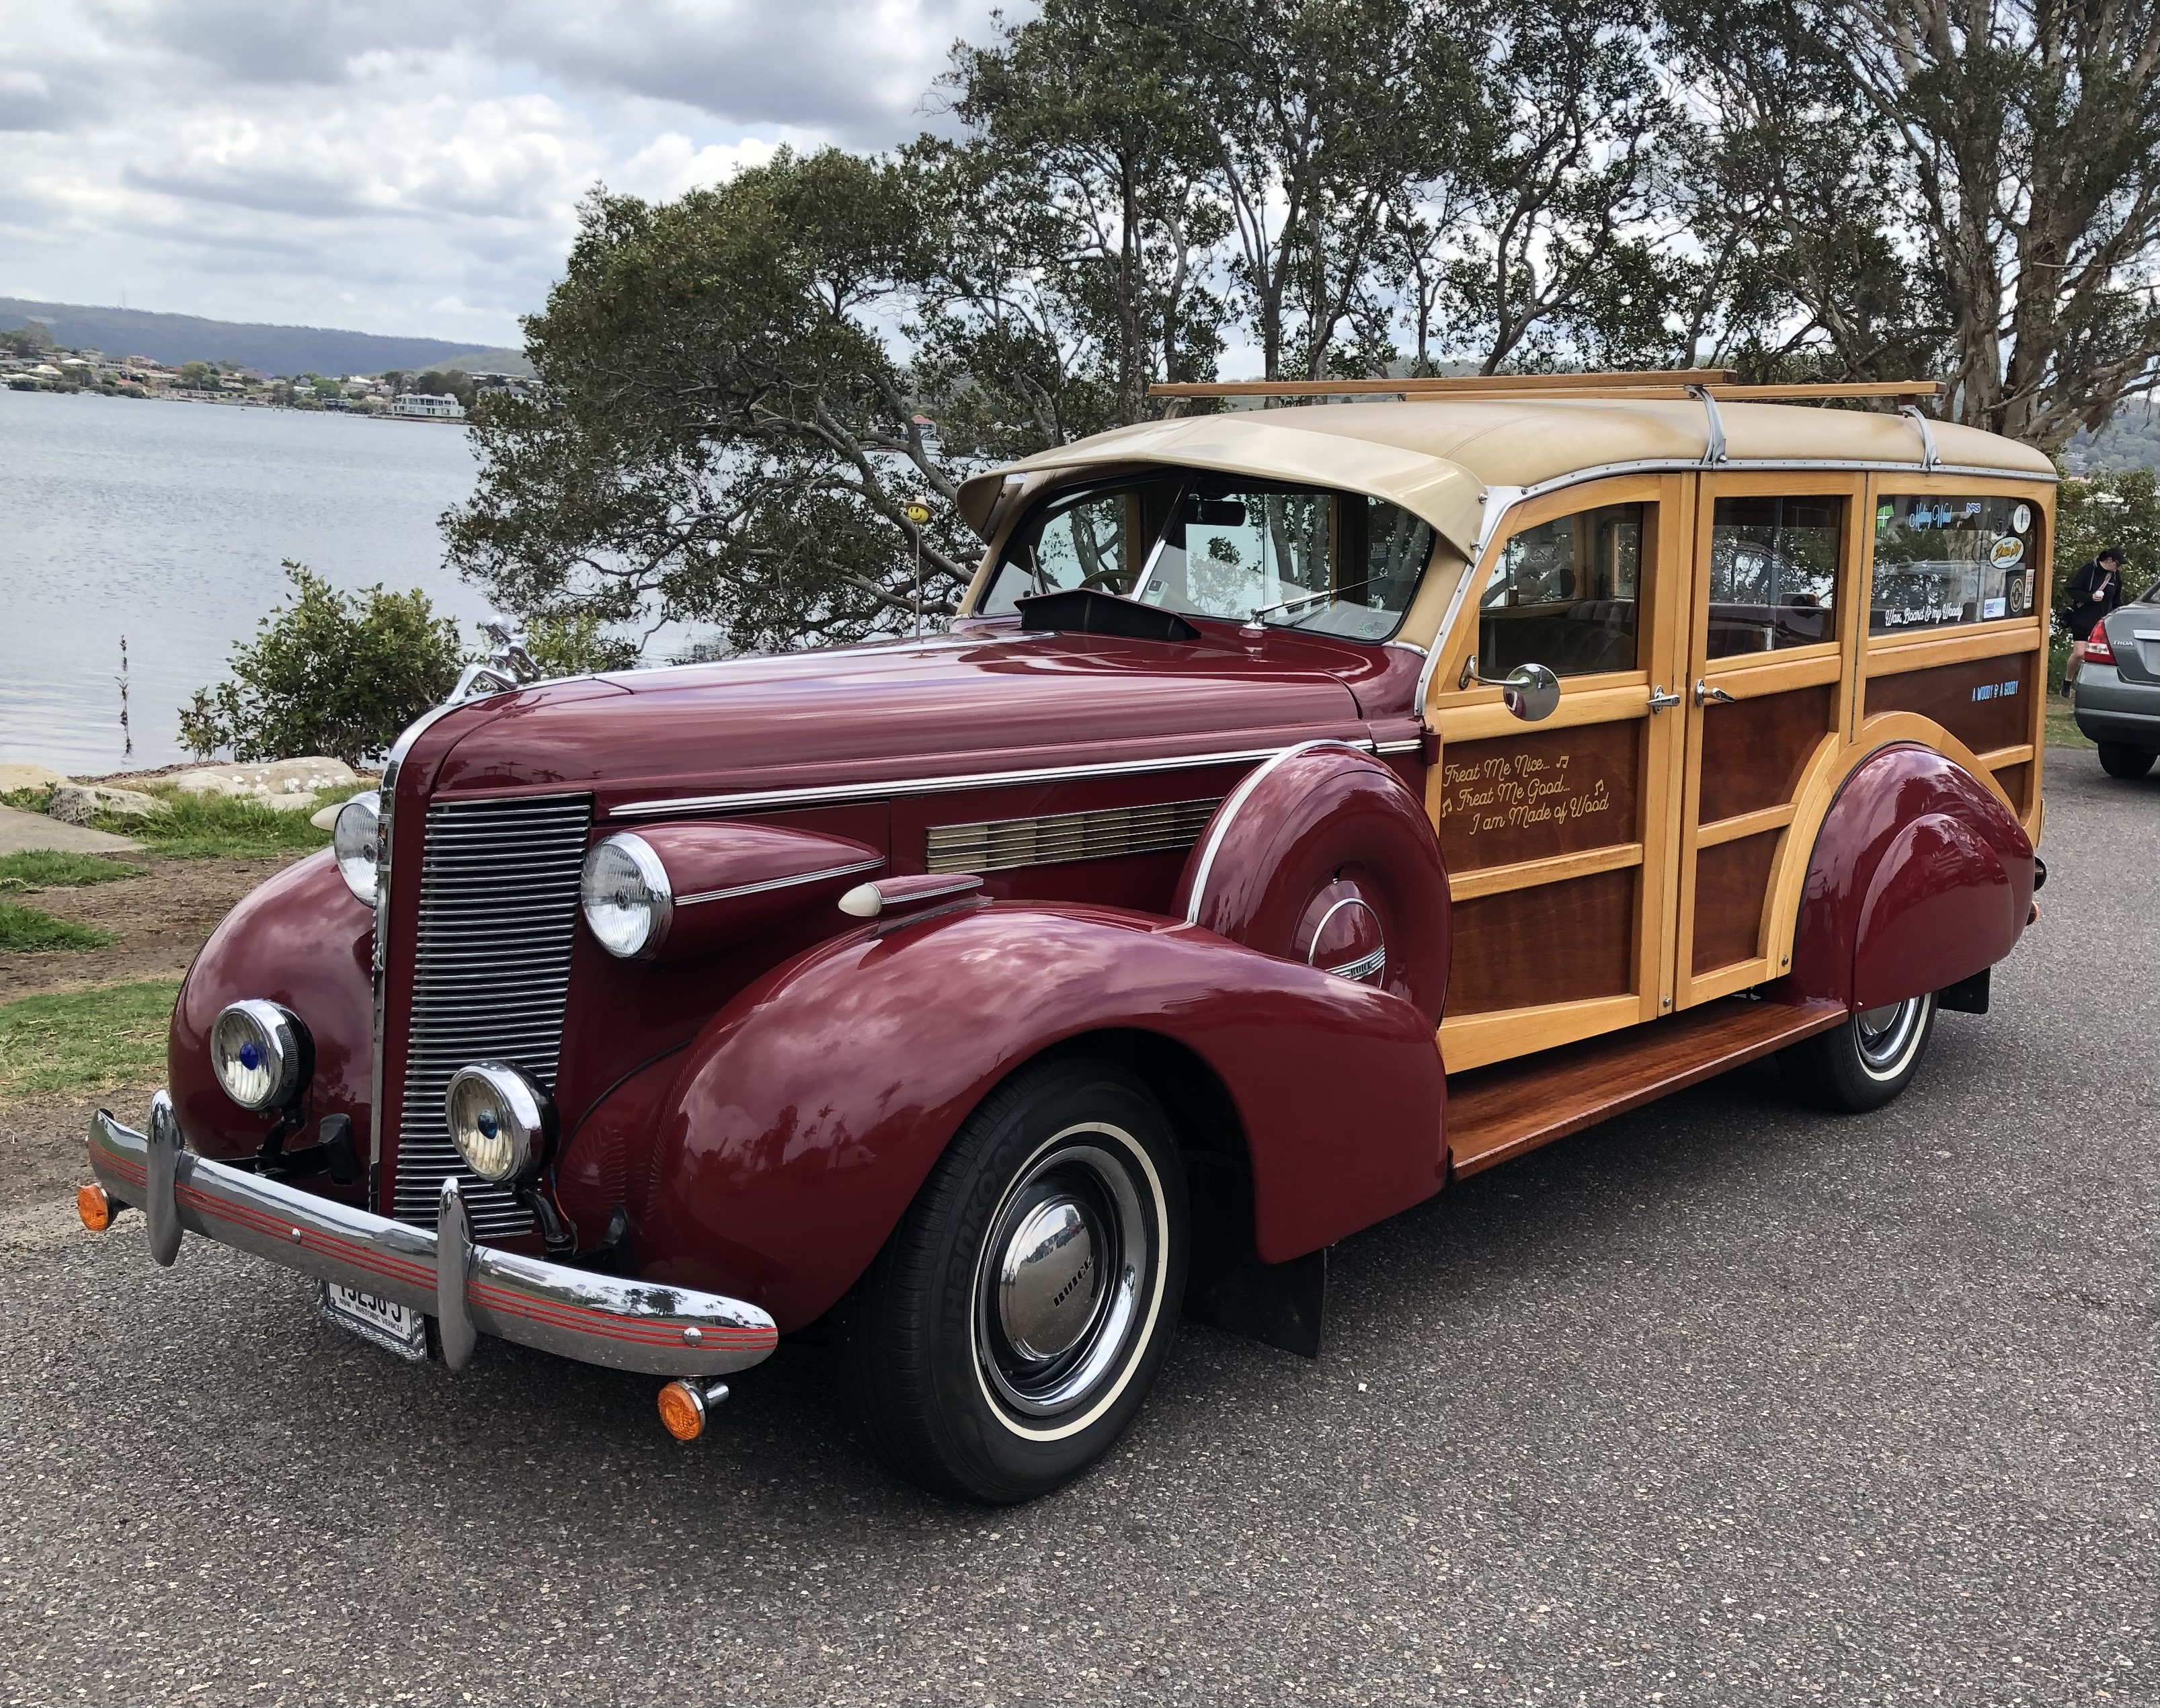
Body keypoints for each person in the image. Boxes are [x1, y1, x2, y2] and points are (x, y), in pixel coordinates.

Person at [2063, 546, 2128, 694]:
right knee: (2080, 653)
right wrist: (2090, 597)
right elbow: (2073, 590)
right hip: (2082, 617)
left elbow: (2117, 601)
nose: (2118, 568)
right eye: (2117, 564)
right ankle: (2067, 681)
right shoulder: (2089, 570)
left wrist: (2120, 615)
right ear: (2109, 560)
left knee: (2097, 656)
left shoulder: (2116, 576)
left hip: (2102, 621)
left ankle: (2091, 688)